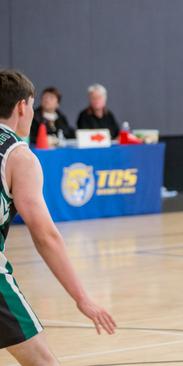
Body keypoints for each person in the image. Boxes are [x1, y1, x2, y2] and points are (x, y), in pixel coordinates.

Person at [0, 69, 115, 365]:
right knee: (43, 362)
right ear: (23, 106)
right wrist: (82, 298)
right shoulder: (18, 156)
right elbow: (45, 236)